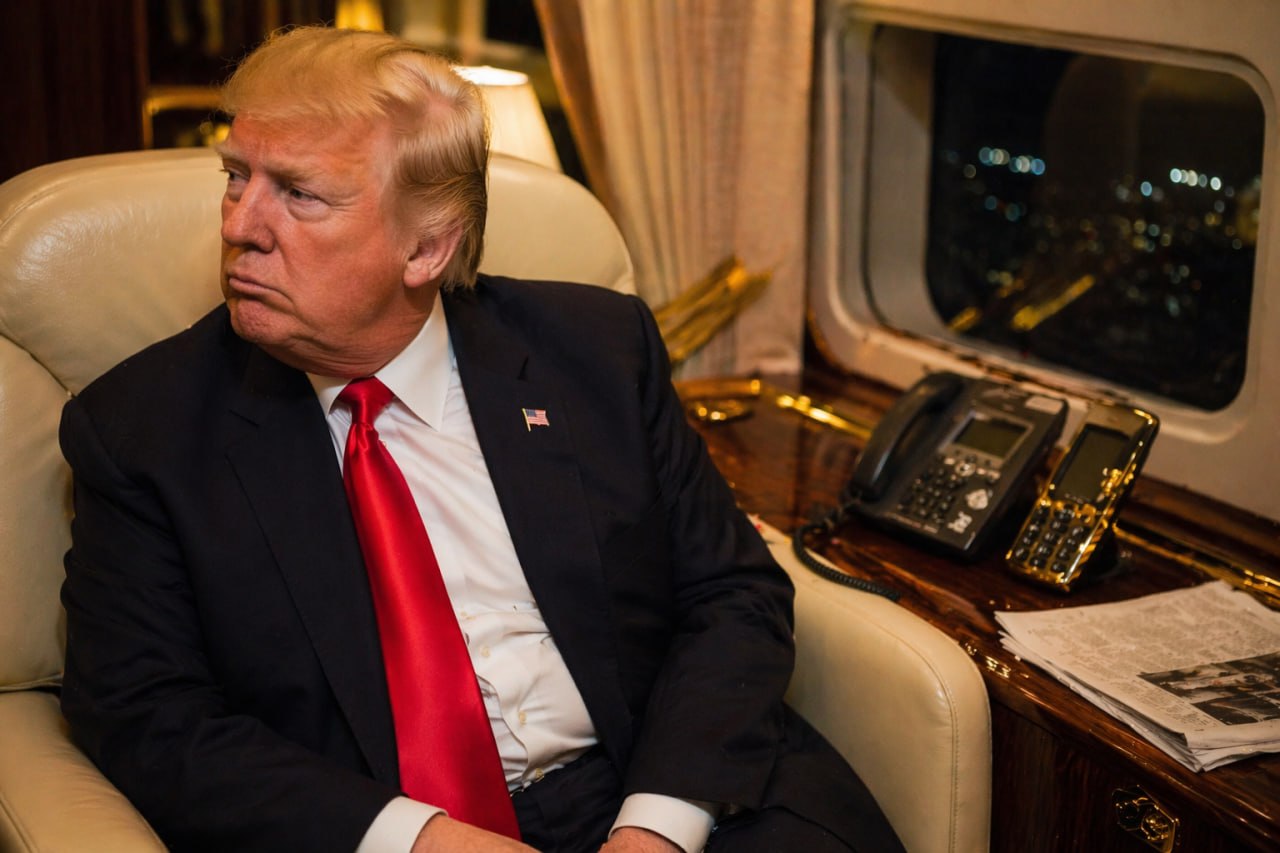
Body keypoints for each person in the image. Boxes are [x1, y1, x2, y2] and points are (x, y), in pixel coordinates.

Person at [58, 26, 902, 853]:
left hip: (657, 783)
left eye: (299, 193)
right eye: (236, 177)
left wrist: (656, 827)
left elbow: (731, 594)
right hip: (379, 825)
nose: (241, 223)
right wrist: (423, 839)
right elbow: (147, 715)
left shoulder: (595, 352)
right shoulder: (144, 431)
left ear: (427, 247)